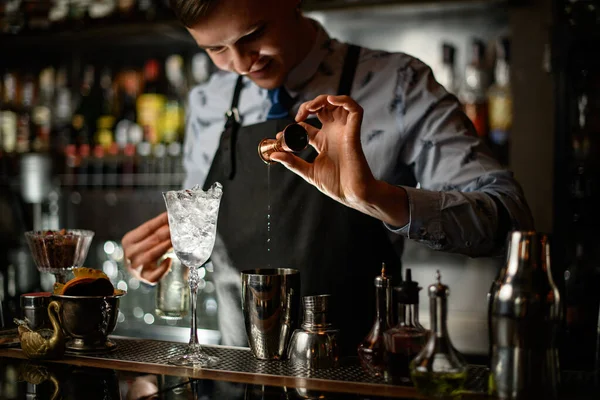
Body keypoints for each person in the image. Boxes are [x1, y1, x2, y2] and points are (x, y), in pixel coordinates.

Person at [122, 0, 533, 355]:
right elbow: (207, 233)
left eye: (255, 33)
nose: (243, 63)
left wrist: (376, 197)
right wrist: (169, 256)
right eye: (216, 48)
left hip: (358, 372)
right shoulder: (208, 101)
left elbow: (510, 218)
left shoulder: (399, 85)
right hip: (238, 373)